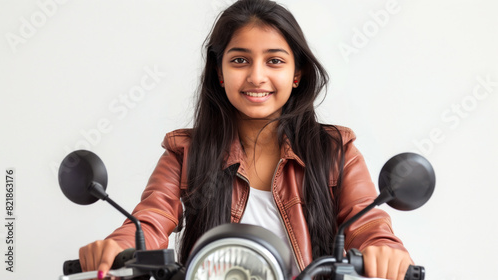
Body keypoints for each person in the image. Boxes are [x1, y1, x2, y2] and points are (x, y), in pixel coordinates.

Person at [79, 0, 414, 279]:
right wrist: (120, 246)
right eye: (240, 60)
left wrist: (384, 251)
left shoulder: (335, 150)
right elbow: (150, 220)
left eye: (275, 61)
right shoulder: (185, 152)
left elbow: (368, 224)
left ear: (296, 74)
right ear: (219, 73)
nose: (257, 76)